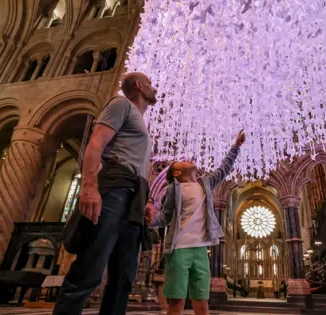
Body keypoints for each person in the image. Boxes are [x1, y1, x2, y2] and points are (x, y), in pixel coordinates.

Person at [53, 72, 158, 315]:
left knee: (123, 278)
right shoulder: (121, 104)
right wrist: (89, 187)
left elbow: (140, 166)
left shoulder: (141, 123)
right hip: (115, 190)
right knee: (90, 268)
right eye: (151, 85)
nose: (155, 89)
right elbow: (96, 143)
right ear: (140, 86)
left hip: (133, 199)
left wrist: (148, 201)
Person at [151, 131, 245, 315]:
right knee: (177, 301)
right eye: (183, 162)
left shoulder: (206, 184)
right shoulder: (173, 189)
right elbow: (165, 216)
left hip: (201, 249)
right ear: (177, 172)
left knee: (202, 300)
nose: (189, 160)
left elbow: (224, 169)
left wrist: (236, 147)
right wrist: (149, 220)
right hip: (179, 249)